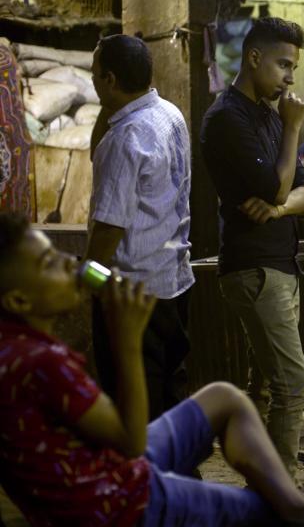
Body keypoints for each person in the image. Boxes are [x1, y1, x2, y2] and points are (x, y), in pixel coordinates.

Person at [0, 214, 304, 526]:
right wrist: (128, 338)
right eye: (48, 262)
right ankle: (299, 513)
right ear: (19, 300)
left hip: (102, 471)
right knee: (262, 510)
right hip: (116, 503)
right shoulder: (42, 363)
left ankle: (300, 510)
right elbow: (131, 442)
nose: (68, 262)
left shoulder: (15, 347)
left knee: (224, 397)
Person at [200, 17, 304, 478]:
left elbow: (302, 191)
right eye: (283, 65)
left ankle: (258, 479)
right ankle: (278, 489)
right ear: (254, 58)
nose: (290, 78)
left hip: (280, 262)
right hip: (255, 268)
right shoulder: (228, 117)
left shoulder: (269, 115)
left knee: (267, 383)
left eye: (293, 66)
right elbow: (273, 184)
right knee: (295, 383)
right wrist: (292, 131)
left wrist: (281, 208)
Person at [86, 34, 193, 420]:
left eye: (96, 75)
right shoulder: (168, 113)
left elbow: (108, 231)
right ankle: (176, 469)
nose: (94, 82)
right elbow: (98, 148)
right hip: (172, 282)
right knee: (168, 390)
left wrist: (90, 285)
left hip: (131, 295)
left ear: (110, 80)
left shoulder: (126, 137)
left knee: (134, 401)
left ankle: (145, 477)